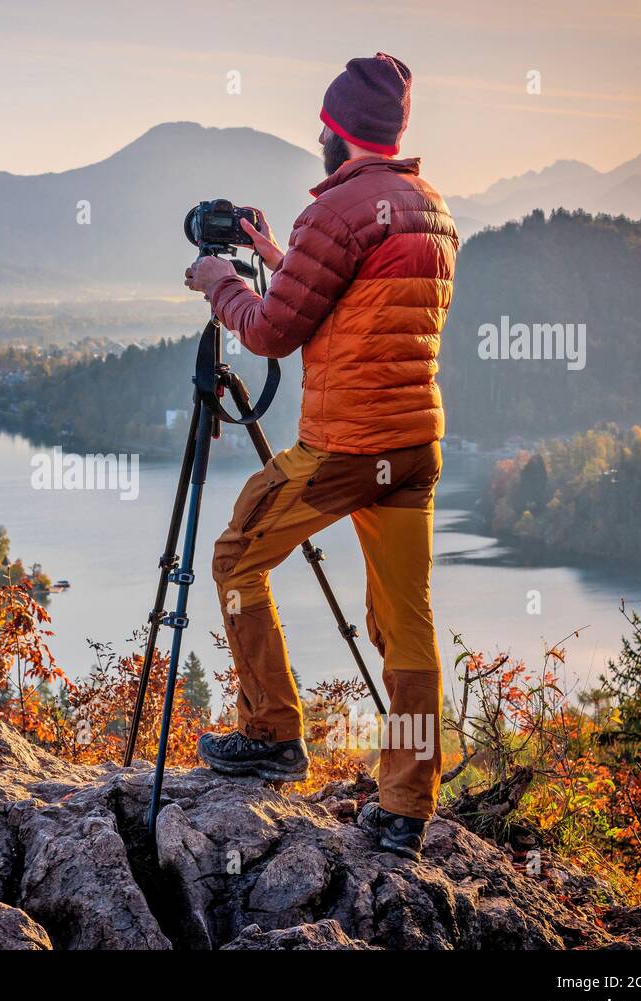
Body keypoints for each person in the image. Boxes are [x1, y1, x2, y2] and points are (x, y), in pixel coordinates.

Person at [182, 53, 459, 859]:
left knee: (236, 559)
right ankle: (405, 806)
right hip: (414, 445)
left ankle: (272, 734)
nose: (318, 140)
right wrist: (281, 258)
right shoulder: (431, 208)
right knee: (406, 626)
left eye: (321, 128)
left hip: (347, 446)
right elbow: (359, 300)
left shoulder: (336, 211)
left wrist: (219, 282)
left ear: (339, 131)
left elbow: (271, 332)